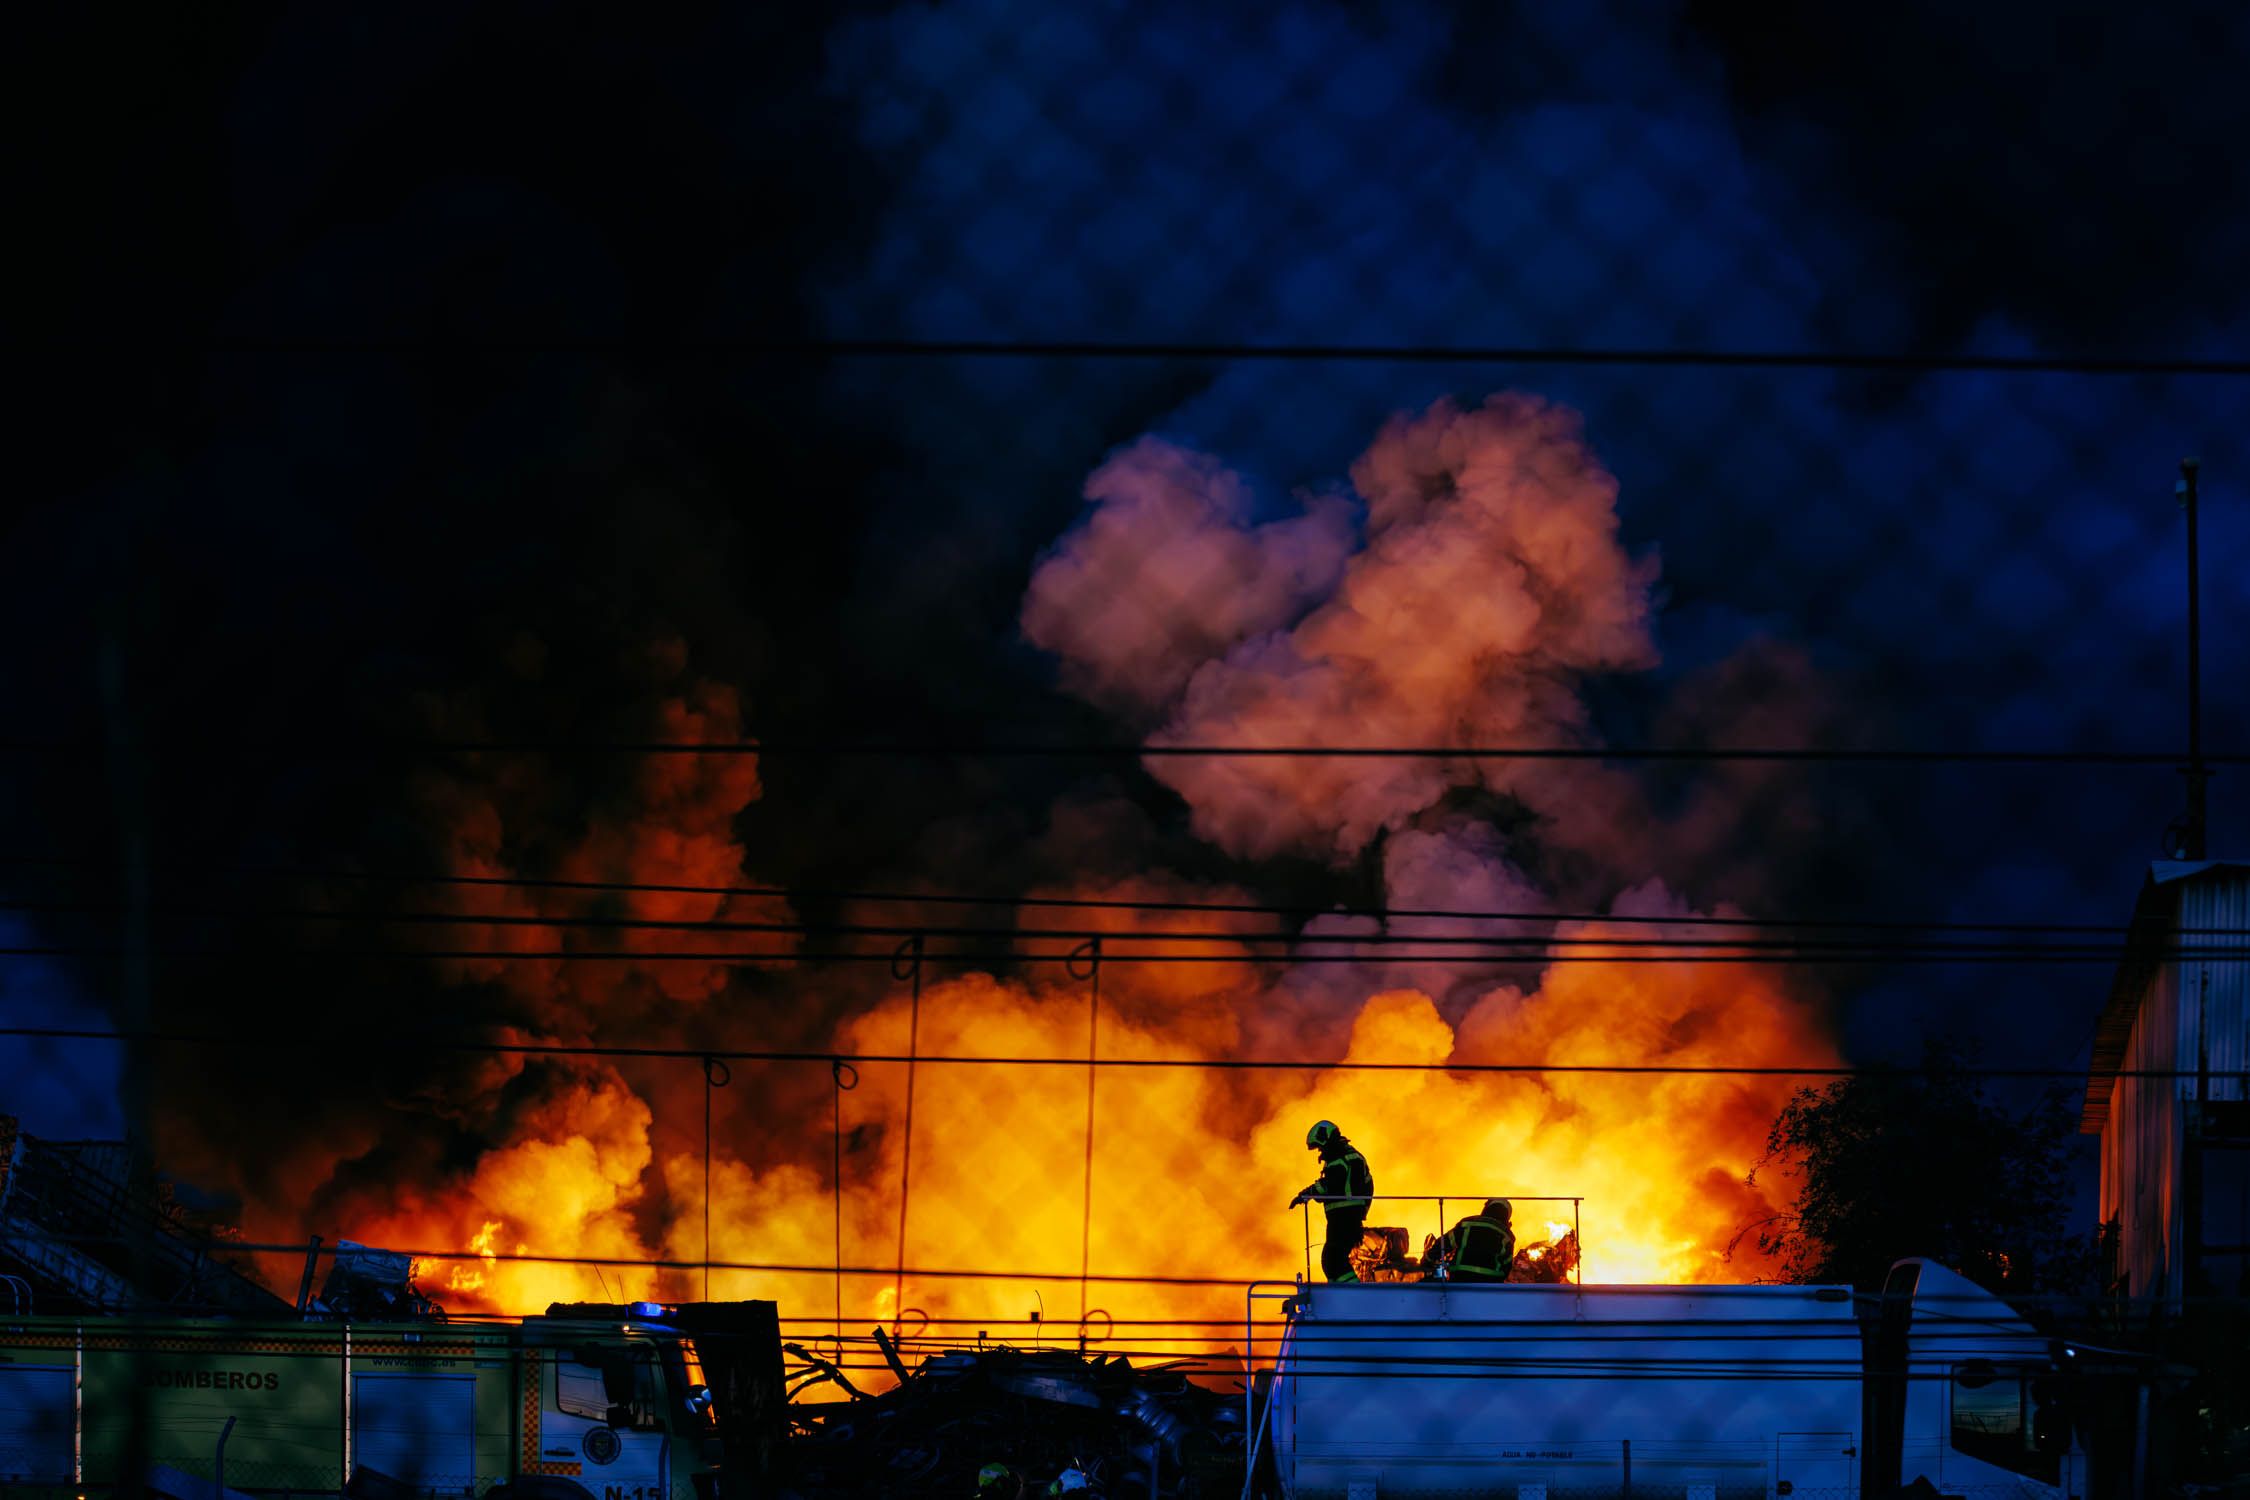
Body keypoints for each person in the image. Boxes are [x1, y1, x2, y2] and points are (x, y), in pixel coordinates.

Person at [1288, 1120, 1373, 1283]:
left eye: (1319, 1146)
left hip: (1344, 1219)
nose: (1320, 1150)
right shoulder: (1350, 1156)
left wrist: (1305, 1194)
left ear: (1325, 1138)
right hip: (1345, 1219)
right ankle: (1341, 1294)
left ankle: (1355, 1295)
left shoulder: (1339, 1158)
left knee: (1334, 1261)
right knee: (1332, 1261)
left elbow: (1328, 1186)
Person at [1425, 1197, 1516, 1283]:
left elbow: (1444, 1243)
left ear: (1486, 1208)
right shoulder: (1507, 1235)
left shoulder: (1467, 1224)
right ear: (1507, 1216)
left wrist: (1428, 1259)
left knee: (1435, 1277)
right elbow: (1507, 1266)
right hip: (1490, 1283)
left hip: (1461, 1278)